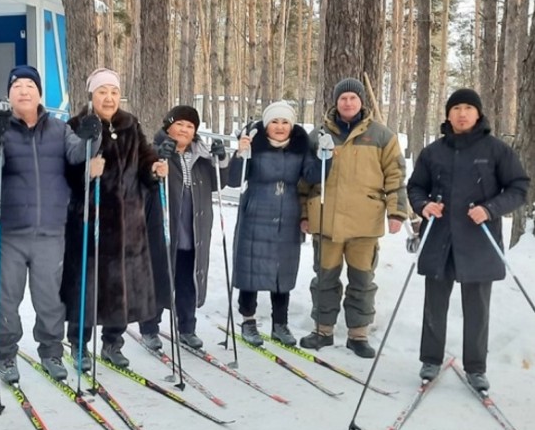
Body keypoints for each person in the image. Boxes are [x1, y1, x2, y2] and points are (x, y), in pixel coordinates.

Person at [0, 65, 103, 383]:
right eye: (17, 86)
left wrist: (93, 135)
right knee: (6, 299)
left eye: (30, 86)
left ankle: (51, 351)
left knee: (50, 298)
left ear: (39, 94)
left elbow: (79, 154)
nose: (24, 91)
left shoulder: (59, 129)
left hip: (51, 229)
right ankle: (5, 355)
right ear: (9, 94)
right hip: (9, 231)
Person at [407, 88, 529, 391]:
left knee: (477, 309)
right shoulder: (433, 152)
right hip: (440, 240)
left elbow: (518, 187)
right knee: (434, 305)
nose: (462, 113)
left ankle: (476, 368)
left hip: (479, 241)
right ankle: (430, 360)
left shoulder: (496, 150)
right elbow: (416, 187)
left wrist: (490, 209)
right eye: (456, 108)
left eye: (468, 108)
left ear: (478, 113)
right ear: (448, 114)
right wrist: (424, 206)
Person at [61, 68, 169, 369]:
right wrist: (86, 172)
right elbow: (65, 171)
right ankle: (79, 345)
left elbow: (145, 157)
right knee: (87, 285)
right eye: (102, 92)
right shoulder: (76, 126)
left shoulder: (130, 124)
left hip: (128, 221)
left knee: (121, 284)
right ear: (91, 95)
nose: (109, 98)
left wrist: (154, 169)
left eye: (114, 92)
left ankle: (112, 342)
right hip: (90, 220)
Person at [298, 77, 408, 358]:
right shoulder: (318, 135)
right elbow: (303, 179)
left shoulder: (382, 136)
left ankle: (358, 334)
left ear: (361, 102)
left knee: (362, 281)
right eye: (343, 98)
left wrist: (397, 212)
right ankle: (322, 329)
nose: (348, 103)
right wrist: (304, 214)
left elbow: (395, 175)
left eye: (353, 98)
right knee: (324, 279)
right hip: (326, 221)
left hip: (364, 223)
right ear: (336, 102)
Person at [226, 101, 328, 347]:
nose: (280, 127)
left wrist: (326, 156)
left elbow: (314, 175)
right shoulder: (254, 142)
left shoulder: (300, 146)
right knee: (250, 267)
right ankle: (248, 320)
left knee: (282, 270)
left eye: (285, 122)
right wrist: (240, 154)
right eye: (274, 121)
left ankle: (280, 324)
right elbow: (234, 179)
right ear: (266, 124)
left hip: (287, 214)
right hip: (256, 211)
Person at [137, 105, 229, 351]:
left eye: (190, 126)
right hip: (164, 229)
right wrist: (157, 160)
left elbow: (220, 182)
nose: (184, 130)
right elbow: (140, 180)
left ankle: (187, 328)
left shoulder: (201, 155)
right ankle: (149, 328)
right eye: (179, 124)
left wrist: (220, 160)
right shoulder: (153, 151)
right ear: (168, 126)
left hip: (193, 230)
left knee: (188, 281)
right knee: (159, 278)